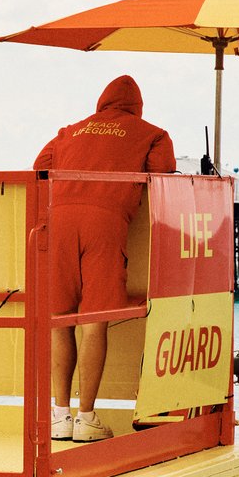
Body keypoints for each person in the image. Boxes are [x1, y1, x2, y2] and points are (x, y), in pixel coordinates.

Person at [33, 75, 176, 442]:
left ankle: (59, 415)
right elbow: (163, 175)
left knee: (60, 318)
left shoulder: (71, 130)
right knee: (94, 320)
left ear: (101, 103)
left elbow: (39, 166)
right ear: (137, 107)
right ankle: (86, 418)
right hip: (106, 223)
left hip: (58, 219)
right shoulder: (153, 133)